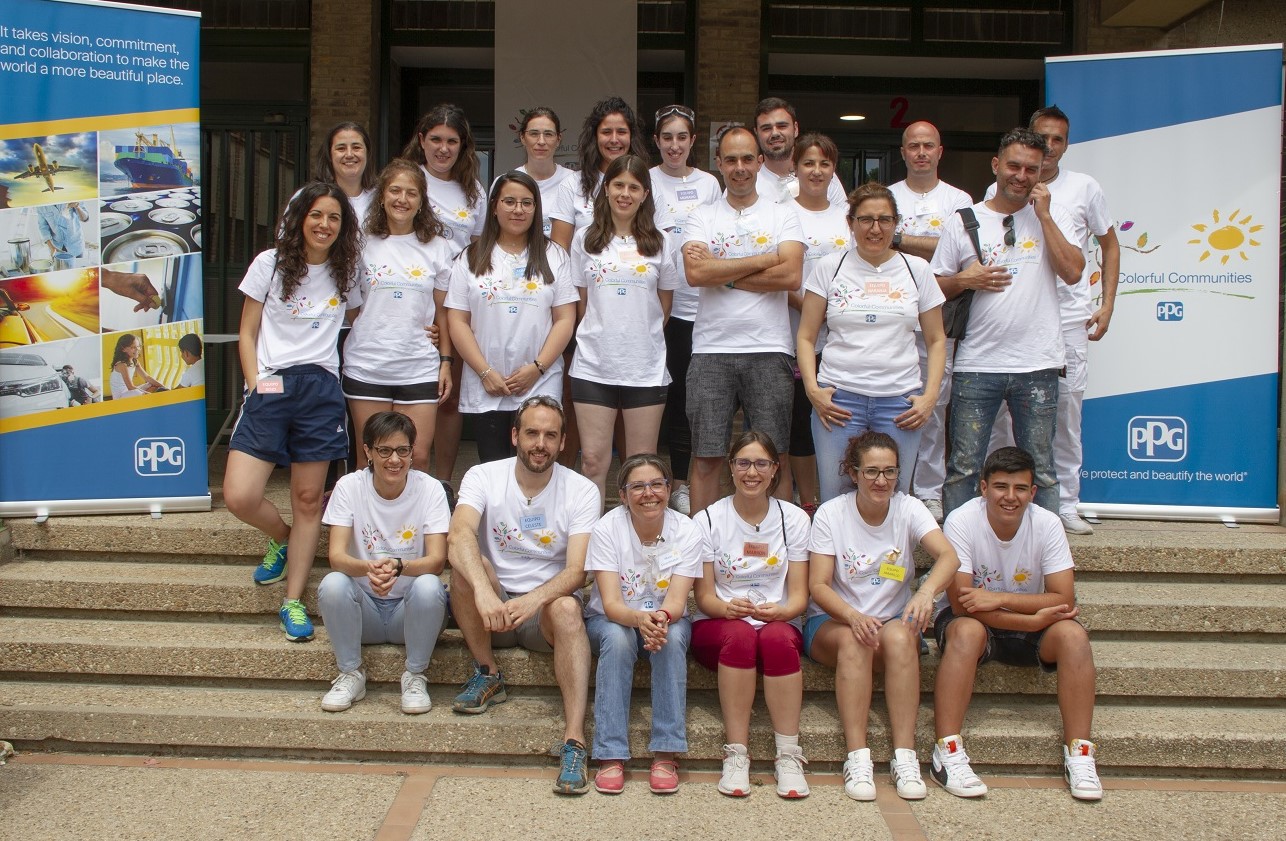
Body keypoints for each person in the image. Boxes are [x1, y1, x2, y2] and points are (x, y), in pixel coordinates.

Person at [222, 181, 361, 642]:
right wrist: (253, 385)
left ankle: (293, 601)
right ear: (300, 217)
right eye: (317, 215)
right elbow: (247, 331)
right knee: (239, 496)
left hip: (321, 390)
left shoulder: (348, 270)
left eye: (335, 218)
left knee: (307, 500)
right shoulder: (271, 263)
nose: (325, 225)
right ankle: (280, 538)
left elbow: (360, 320)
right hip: (272, 384)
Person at [446, 396, 601, 795]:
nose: (540, 443)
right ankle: (488, 672)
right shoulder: (483, 476)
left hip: (542, 612)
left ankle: (574, 741)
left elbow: (578, 570)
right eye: (532, 432)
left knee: (568, 607)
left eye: (550, 435)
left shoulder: (581, 490)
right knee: (466, 567)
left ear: (563, 441)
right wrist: (483, 591)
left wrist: (533, 600)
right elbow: (458, 534)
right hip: (492, 607)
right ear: (515, 435)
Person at [932, 446, 1101, 801]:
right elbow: (963, 604)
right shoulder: (962, 520)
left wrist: (1001, 599)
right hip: (979, 623)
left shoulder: (1047, 523)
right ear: (983, 487)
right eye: (1001, 487)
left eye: (1020, 488)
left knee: (1073, 635)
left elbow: (1064, 599)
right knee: (966, 631)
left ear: (1033, 492)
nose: (1010, 497)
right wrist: (1032, 618)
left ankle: (1080, 754)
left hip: (1024, 619)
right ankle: (946, 751)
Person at [932, 129, 1084, 517]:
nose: (1021, 175)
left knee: (1041, 470)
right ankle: (959, 559)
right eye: (1013, 165)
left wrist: (1045, 215)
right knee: (964, 469)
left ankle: (1046, 562)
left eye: (1032, 169)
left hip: (1037, 364)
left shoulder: (1054, 215)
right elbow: (933, 289)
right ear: (996, 165)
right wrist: (966, 279)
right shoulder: (964, 220)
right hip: (976, 364)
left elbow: (1073, 272)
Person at [984, 106, 1121, 536]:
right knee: (1005, 418)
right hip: (1018, 318)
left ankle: (1066, 503)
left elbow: (1110, 245)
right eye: (1041, 139)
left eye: (1057, 140)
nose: (1048, 149)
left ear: (1065, 143)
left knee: (1065, 413)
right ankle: (1000, 501)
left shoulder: (1084, 187)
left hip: (1069, 317)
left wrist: (1108, 303)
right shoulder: (1003, 187)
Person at [804, 431, 959, 802]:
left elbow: (949, 557)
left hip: (892, 625)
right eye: (871, 471)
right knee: (855, 641)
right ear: (853, 473)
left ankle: (905, 757)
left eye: (890, 472)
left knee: (902, 636)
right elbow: (819, 586)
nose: (881, 481)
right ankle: (858, 757)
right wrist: (853, 616)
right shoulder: (831, 513)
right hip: (835, 622)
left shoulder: (909, 507)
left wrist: (924, 592)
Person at [681, 126, 805, 515]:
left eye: (747, 159)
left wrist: (725, 272)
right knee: (706, 457)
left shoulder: (783, 214)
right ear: (717, 164)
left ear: (760, 162)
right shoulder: (700, 216)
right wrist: (766, 258)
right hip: (711, 351)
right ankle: (703, 547)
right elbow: (696, 275)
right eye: (731, 160)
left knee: (773, 456)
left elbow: (791, 277)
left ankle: (779, 544)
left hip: (769, 349)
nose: (740, 168)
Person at [797, 182, 946, 502]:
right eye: (865, 219)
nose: (875, 228)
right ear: (850, 223)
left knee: (893, 496)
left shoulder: (917, 269)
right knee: (836, 496)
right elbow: (807, 336)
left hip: (900, 403)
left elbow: (936, 339)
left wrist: (929, 396)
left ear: (896, 224)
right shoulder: (830, 267)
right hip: (839, 402)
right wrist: (813, 390)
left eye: (884, 220)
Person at [691, 431, 812, 799]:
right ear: (731, 467)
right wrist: (727, 609)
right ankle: (736, 753)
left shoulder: (793, 519)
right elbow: (704, 597)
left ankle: (788, 755)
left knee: (776, 637)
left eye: (761, 463)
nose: (752, 472)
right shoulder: (708, 519)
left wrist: (782, 611)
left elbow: (800, 597)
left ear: (775, 469)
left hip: (776, 622)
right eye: (743, 462)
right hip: (720, 627)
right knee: (741, 634)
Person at [583, 453, 702, 795]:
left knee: (674, 633)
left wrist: (658, 620)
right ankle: (610, 753)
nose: (648, 493)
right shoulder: (607, 528)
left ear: (668, 488)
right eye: (637, 486)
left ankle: (665, 750)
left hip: (665, 618)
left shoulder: (687, 531)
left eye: (656, 484)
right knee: (619, 640)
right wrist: (640, 620)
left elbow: (677, 603)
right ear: (622, 495)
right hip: (612, 622)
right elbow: (610, 604)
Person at [316, 411, 450, 714]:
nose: (394, 460)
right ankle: (351, 673)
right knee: (332, 583)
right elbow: (336, 556)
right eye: (384, 451)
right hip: (365, 611)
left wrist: (400, 566)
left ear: (413, 452)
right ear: (367, 452)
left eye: (403, 450)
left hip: (411, 611)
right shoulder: (349, 486)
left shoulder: (429, 489)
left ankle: (415, 675)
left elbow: (437, 559)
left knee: (430, 585)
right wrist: (368, 568)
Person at [444, 172, 576, 463]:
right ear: (494, 206)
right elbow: (457, 321)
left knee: (537, 465)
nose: (518, 209)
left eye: (527, 203)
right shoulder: (470, 257)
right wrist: (485, 372)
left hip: (539, 381)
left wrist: (538, 368)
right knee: (494, 469)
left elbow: (565, 318)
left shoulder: (555, 255)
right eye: (510, 201)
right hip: (487, 384)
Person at [569, 155, 677, 500]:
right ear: (606, 189)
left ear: (645, 193)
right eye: (618, 185)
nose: (625, 194)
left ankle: (633, 546)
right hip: (593, 364)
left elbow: (665, 306)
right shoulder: (585, 239)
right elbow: (581, 304)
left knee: (640, 468)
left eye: (633, 187)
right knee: (593, 463)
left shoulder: (661, 241)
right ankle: (589, 547)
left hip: (643, 367)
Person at [343, 159, 455, 472]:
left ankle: (411, 524)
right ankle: (368, 523)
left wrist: (446, 362)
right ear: (381, 196)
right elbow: (353, 308)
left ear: (422, 202)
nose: (402, 199)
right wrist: (378, 326)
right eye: (394, 191)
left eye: (411, 193)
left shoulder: (437, 247)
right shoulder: (361, 244)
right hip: (367, 365)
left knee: (416, 458)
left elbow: (444, 312)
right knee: (369, 459)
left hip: (418, 366)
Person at [888, 121, 974, 524]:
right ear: (903, 152)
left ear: (940, 151)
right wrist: (937, 244)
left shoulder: (959, 200)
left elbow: (962, 251)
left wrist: (901, 239)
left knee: (935, 406)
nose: (921, 152)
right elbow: (876, 243)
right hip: (892, 317)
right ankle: (894, 486)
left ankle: (929, 491)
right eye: (913, 146)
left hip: (942, 315)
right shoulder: (888, 197)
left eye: (928, 146)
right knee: (895, 404)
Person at [402, 104, 486, 482]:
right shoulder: (406, 179)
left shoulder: (474, 191)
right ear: (421, 140)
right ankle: (403, 477)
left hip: (459, 305)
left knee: (449, 399)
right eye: (435, 139)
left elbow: (482, 249)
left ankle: (443, 482)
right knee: (413, 392)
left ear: (462, 146)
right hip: (415, 302)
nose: (443, 148)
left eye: (452, 141)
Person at [649, 104, 720, 516]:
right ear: (656, 141)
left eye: (682, 137)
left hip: (704, 309)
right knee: (671, 398)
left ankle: (686, 482)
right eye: (667, 137)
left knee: (698, 401)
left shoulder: (710, 184)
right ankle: (673, 480)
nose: (674, 145)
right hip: (662, 307)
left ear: (693, 141)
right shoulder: (645, 178)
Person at [787, 133, 851, 514]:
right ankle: (809, 502)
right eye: (808, 163)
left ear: (833, 170)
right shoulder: (781, 212)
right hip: (796, 331)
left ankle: (837, 502)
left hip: (842, 338)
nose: (816, 171)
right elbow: (781, 274)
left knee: (835, 422)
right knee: (800, 424)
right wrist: (813, 309)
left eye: (824, 164)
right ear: (795, 167)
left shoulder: (846, 217)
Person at [549, 96, 650, 250]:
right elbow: (559, 251)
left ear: (631, 137)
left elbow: (660, 244)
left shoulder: (649, 183)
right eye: (606, 132)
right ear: (595, 137)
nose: (614, 139)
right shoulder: (572, 184)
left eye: (621, 132)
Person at [752, 98, 846, 207]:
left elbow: (845, 220)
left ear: (795, 129)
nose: (775, 133)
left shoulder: (822, 176)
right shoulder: (748, 183)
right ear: (756, 133)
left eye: (782, 126)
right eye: (766, 128)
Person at [514, 107, 574, 237]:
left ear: (558, 139)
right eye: (534, 134)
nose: (541, 141)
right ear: (523, 138)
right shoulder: (508, 182)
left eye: (548, 134)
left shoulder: (574, 181)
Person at [314, 121, 378, 221]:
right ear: (330, 155)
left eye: (356, 147)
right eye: (341, 148)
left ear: (367, 153)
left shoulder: (382, 198)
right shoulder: (308, 197)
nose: (349, 154)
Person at [108, 333, 163, 399]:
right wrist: (148, 394)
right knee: (137, 392)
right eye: (133, 347)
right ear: (123, 349)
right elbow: (130, 387)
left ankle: (146, 398)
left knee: (152, 384)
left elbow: (147, 377)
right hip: (121, 396)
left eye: (138, 346)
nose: (137, 349)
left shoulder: (135, 361)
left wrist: (163, 386)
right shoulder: (122, 365)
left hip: (129, 391)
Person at [36, 202, 89, 267]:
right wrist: (51, 247)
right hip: (56, 247)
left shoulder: (72, 195)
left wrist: (77, 206)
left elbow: (85, 218)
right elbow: (43, 227)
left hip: (75, 245)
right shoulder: (40, 206)